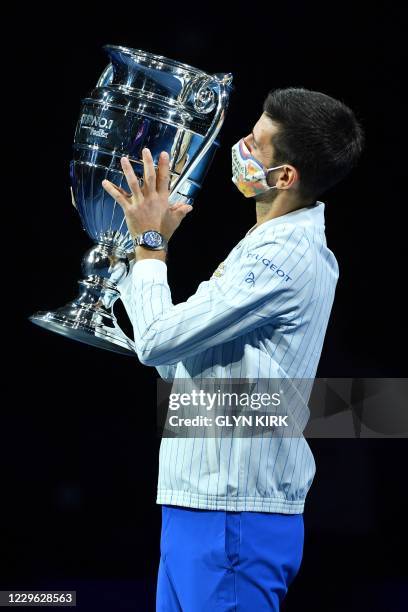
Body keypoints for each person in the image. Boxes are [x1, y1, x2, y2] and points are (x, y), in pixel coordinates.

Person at [102, 87, 365, 611]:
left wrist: (151, 244)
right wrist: (134, 254)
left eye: (255, 141)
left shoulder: (283, 256)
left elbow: (154, 342)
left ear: (286, 176)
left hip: (235, 516)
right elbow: (178, 363)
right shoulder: (264, 241)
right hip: (197, 504)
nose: (239, 145)